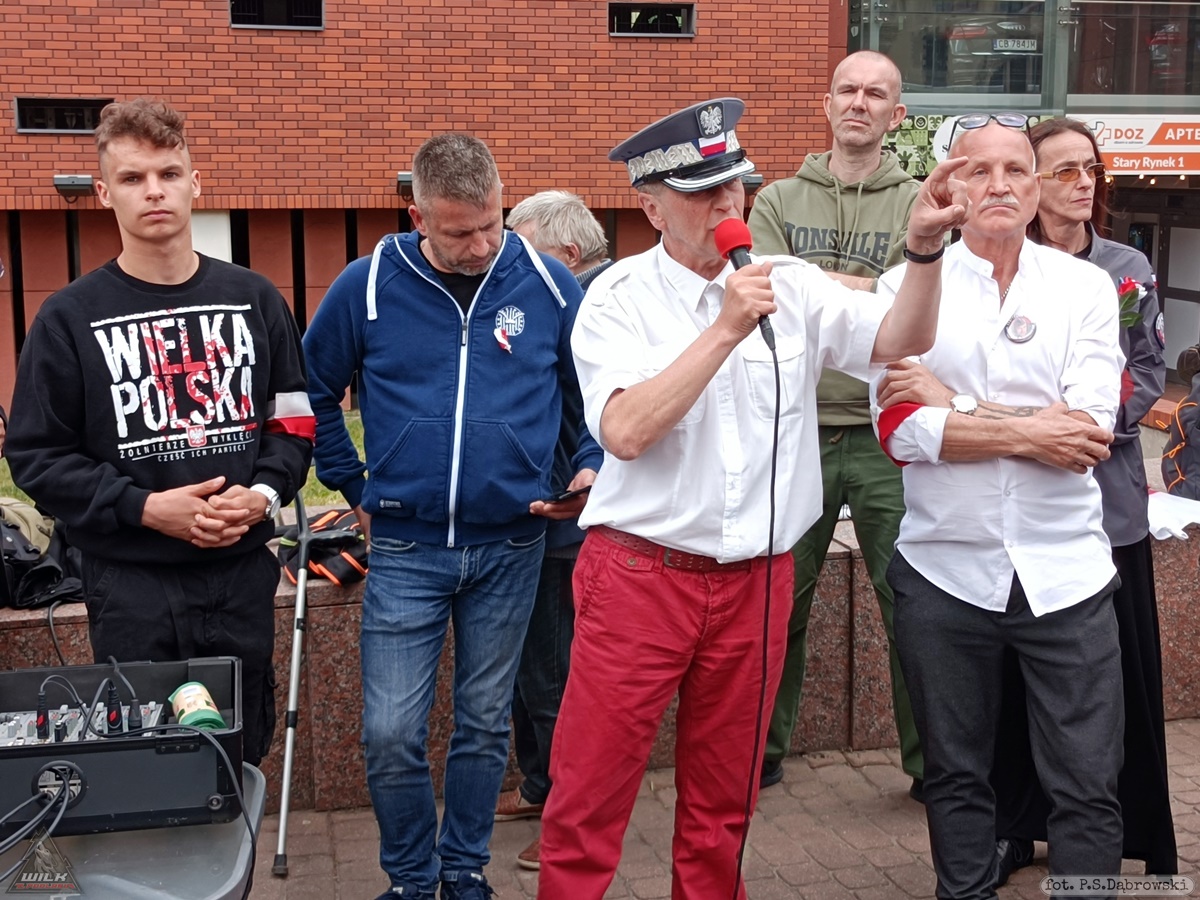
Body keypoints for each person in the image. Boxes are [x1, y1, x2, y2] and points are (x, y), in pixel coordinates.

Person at [537, 97, 967, 900]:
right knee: (590, 791)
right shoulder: (618, 296)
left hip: (758, 580)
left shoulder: (790, 284)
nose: (727, 205)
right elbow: (625, 431)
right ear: (651, 206)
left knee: (724, 799)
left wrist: (923, 249)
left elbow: (902, 338)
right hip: (642, 576)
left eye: (735, 185)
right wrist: (725, 328)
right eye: (703, 192)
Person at [302, 134, 591, 900]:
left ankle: (463, 870)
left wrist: (587, 465)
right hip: (406, 545)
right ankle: (410, 878)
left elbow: (594, 386)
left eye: (492, 223)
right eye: (460, 232)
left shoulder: (547, 282)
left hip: (514, 543)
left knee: (485, 723)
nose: (482, 245)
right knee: (390, 732)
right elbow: (311, 389)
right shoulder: (367, 285)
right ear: (418, 218)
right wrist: (350, 482)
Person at [5, 98, 314, 766]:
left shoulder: (256, 299)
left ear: (195, 183)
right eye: (133, 177)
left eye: (169, 174)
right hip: (130, 584)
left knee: (241, 749)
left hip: (239, 575)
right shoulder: (67, 318)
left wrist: (262, 495)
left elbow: (292, 423)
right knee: (148, 761)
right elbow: (34, 456)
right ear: (103, 193)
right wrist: (144, 507)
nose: (154, 191)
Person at [872, 114, 1126, 897]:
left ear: (1037, 187)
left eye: (1016, 169)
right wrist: (1032, 429)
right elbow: (901, 431)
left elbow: (1088, 434)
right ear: (949, 185)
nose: (999, 185)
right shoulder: (903, 287)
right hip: (944, 572)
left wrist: (957, 404)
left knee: (1087, 784)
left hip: (1067, 575)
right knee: (955, 776)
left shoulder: (1084, 288)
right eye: (977, 170)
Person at [989, 116, 1175, 881]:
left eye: (1089, 168)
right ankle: (1010, 828)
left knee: (1113, 687)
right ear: (1031, 183)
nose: (1081, 182)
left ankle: (1119, 837)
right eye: (1063, 170)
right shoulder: (998, 265)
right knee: (1010, 684)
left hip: (1106, 507)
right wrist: (1026, 431)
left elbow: (1147, 374)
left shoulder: (1126, 268)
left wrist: (1075, 430)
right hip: (1016, 507)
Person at [747, 49, 923, 793]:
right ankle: (758, 754)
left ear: (896, 114)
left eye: (875, 94)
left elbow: (921, 300)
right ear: (826, 104)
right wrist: (876, 289)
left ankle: (933, 766)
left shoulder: (919, 203)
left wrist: (813, 281)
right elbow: (768, 293)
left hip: (889, 430)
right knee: (776, 602)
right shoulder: (776, 200)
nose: (859, 102)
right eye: (847, 90)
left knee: (910, 604)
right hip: (796, 428)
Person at [492, 190, 609, 871]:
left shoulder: (592, 307)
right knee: (533, 670)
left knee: (552, 676)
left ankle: (568, 815)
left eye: (523, 249)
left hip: (568, 524)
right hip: (541, 519)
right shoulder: (567, 297)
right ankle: (541, 786)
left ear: (567, 255)